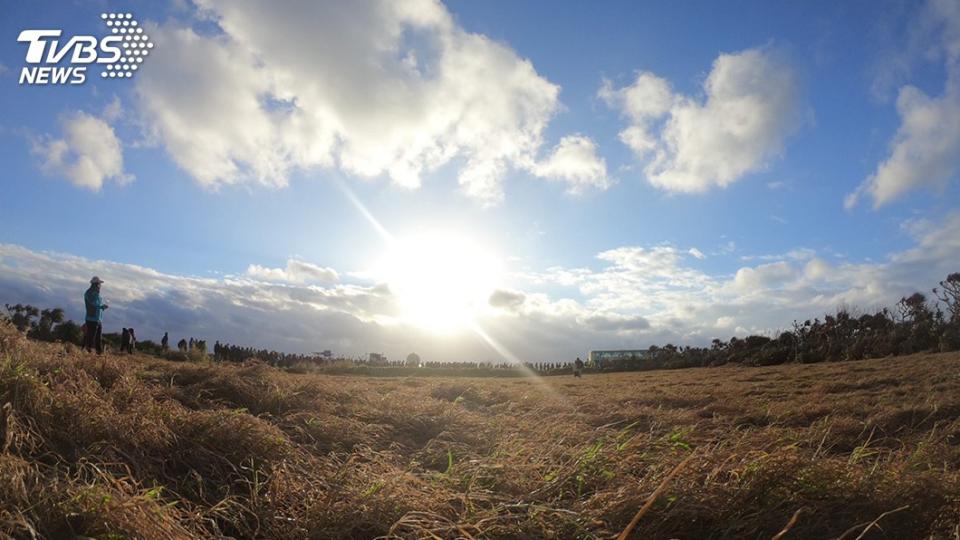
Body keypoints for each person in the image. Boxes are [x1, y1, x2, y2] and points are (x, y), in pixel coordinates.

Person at [83, 276, 108, 354]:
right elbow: (93, 303)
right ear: (96, 284)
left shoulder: (96, 293)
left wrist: (102, 307)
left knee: (98, 338)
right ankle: (88, 351)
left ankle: (99, 353)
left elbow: (97, 305)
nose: (100, 285)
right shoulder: (89, 293)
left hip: (98, 319)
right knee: (91, 337)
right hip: (92, 319)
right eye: (99, 284)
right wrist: (101, 306)